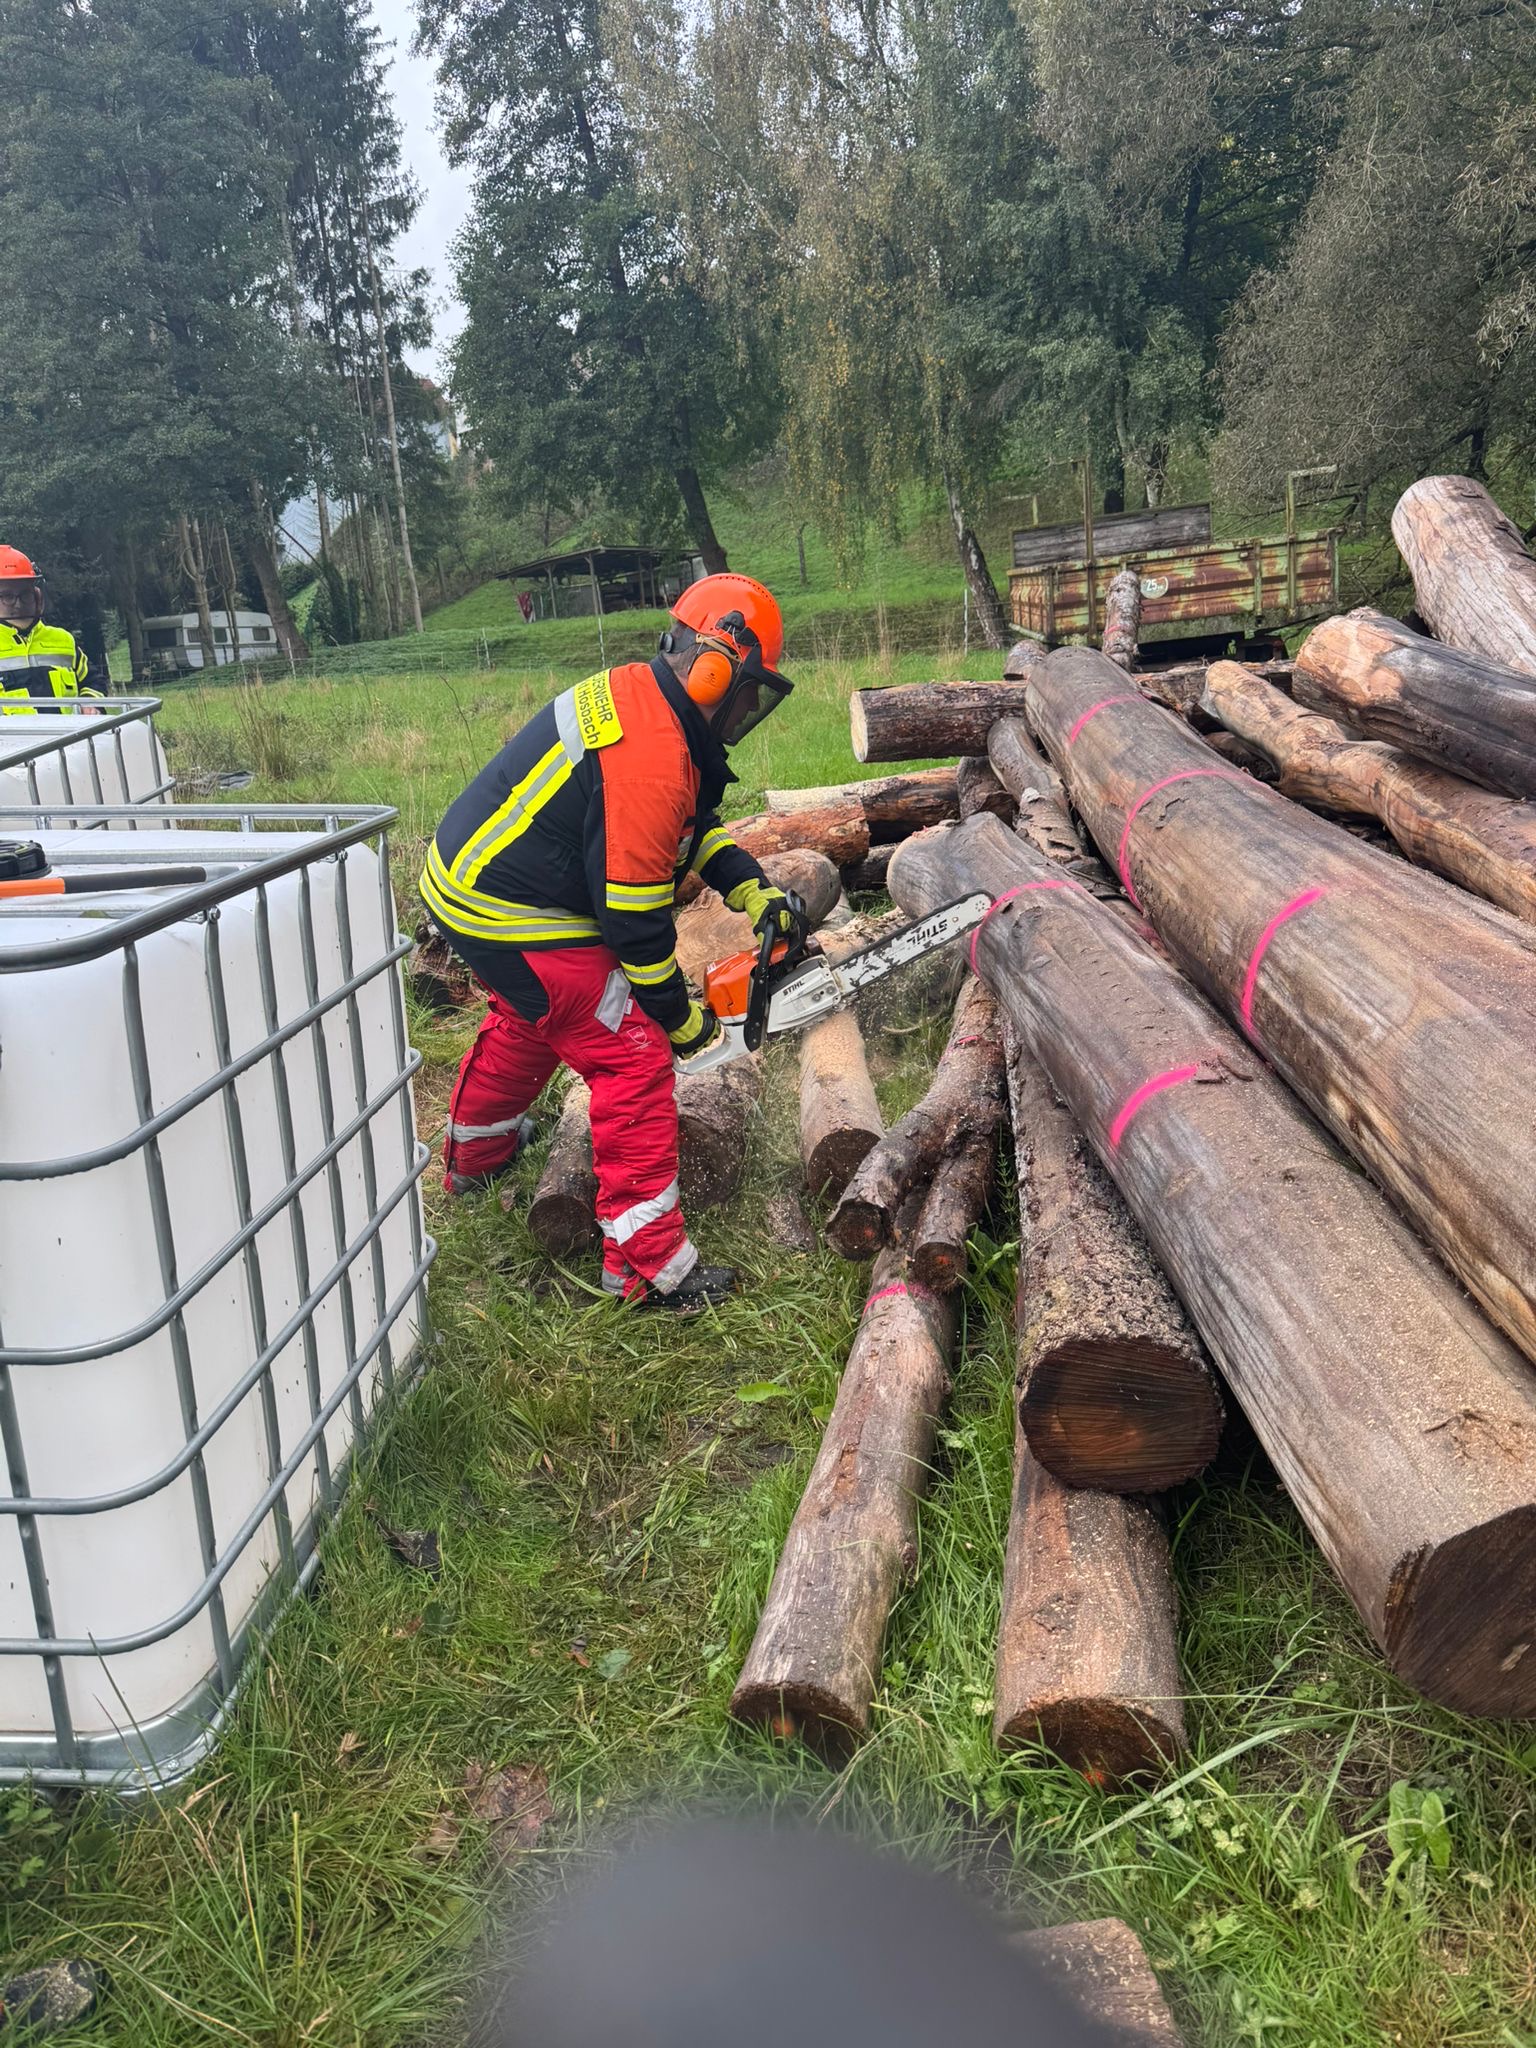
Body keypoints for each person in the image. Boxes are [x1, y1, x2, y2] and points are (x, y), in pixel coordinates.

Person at [421, 571, 804, 1310]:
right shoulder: (654, 753)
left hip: (471, 882)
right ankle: (645, 1268)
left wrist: (751, 886)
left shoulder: (646, 699)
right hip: (508, 906)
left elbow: (684, 831)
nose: (748, 708)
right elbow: (633, 922)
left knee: (536, 1020)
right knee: (628, 1050)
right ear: (713, 668)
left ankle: (477, 1157)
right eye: (747, 690)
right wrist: (679, 1023)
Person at [0, 547, 95, 712]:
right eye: (8, 596)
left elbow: (93, 681)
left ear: (37, 595)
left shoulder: (63, 640)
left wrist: (90, 704)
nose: (18, 603)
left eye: (25, 594)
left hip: (70, 736)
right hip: (12, 738)